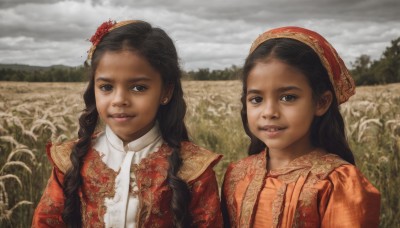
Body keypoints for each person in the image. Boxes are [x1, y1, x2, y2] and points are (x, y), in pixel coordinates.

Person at [32, 20, 223, 228]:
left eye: (138, 88)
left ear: (166, 92)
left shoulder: (194, 169)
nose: (119, 100)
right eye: (106, 87)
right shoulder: (69, 160)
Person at [221, 26, 380, 228]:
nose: (269, 112)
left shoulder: (337, 183)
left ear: (321, 102)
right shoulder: (237, 174)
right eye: (257, 99)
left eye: (288, 97)